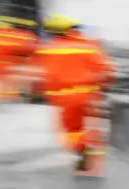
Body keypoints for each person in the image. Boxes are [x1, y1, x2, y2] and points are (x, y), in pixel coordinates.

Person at [27, 14, 114, 171]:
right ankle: (96, 159)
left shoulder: (45, 49)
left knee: (73, 130)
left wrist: (35, 92)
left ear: (52, 31)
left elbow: (37, 74)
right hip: (90, 94)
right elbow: (107, 70)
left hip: (64, 97)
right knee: (94, 126)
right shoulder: (90, 46)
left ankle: (81, 151)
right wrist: (105, 88)